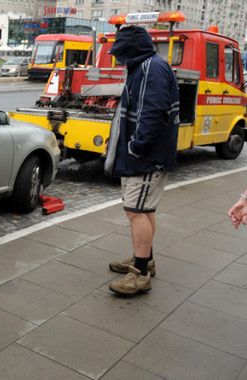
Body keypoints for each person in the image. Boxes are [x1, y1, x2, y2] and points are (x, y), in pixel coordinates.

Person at [104, 25, 180, 296]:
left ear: (131, 50)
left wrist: (135, 148)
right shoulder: (147, 66)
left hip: (146, 158)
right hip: (144, 156)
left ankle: (141, 273)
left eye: (120, 52)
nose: (118, 58)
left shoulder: (151, 68)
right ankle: (144, 259)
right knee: (143, 210)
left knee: (136, 211)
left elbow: (152, 112)